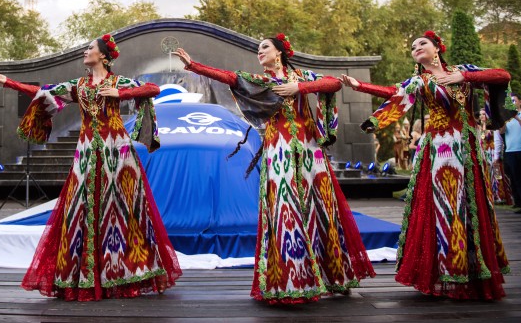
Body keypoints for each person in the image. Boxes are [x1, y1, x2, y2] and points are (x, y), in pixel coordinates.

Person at [173, 33, 374, 305]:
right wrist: (194, 66)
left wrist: (298, 88)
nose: (260, 51)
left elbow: (334, 83)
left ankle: (334, 277)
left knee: (322, 209)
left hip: (310, 151)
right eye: (258, 49)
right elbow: (230, 77)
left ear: (279, 52)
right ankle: (292, 280)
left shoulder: (301, 76)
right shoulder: (261, 83)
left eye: (264, 47)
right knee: (285, 210)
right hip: (278, 151)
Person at [0, 33, 181, 301]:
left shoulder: (117, 82)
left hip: (118, 151)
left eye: (90, 48)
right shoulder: (78, 86)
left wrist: (121, 93)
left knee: (123, 208)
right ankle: (87, 274)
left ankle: (127, 271)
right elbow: (44, 93)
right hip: (86, 151)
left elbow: (153, 89)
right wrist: (8, 82)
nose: (85, 52)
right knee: (81, 207)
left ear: (103, 56)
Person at [339, 30, 513, 300]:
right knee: (446, 207)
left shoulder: (463, 71)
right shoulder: (419, 81)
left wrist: (464, 77)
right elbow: (394, 93)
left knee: (472, 205)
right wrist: (359, 85)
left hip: (468, 147)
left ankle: (474, 271)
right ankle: (447, 270)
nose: (416, 48)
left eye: (422, 43)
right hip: (440, 150)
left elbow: (502, 76)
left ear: (437, 48)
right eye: (412, 47)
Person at [500, 93, 521, 210]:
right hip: (510, 150)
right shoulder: (506, 117)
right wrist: (504, 120)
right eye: (510, 101)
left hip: (520, 149)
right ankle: (518, 202)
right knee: (514, 177)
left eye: (514, 101)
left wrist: (516, 117)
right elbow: (501, 131)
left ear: (520, 102)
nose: (512, 103)